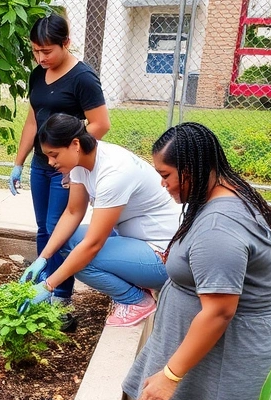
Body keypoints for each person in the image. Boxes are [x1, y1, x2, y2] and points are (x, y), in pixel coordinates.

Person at [123, 123, 271, 400]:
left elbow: (218, 312)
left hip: (232, 356)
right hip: (220, 353)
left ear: (192, 169)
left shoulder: (219, 225)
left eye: (165, 175)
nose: (162, 184)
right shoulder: (223, 195)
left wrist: (170, 375)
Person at [19, 114, 180, 328]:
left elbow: (93, 245)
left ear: (75, 144)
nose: (51, 162)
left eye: (54, 154)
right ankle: (136, 285)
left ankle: (137, 301)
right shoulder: (81, 163)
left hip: (165, 256)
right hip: (138, 241)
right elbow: (73, 212)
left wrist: (48, 286)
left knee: (82, 258)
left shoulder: (113, 172)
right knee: (69, 241)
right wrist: (44, 258)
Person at [10, 14, 111, 319]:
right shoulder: (37, 75)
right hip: (41, 166)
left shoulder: (83, 78)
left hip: (66, 170)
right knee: (44, 228)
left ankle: (61, 297)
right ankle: (44, 283)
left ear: (66, 43)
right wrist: (19, 162)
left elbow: (101, 124)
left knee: (59, 228)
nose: (41, 58)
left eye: (47, 51)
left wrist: (70, 158)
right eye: (35, 51)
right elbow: (32, 121)